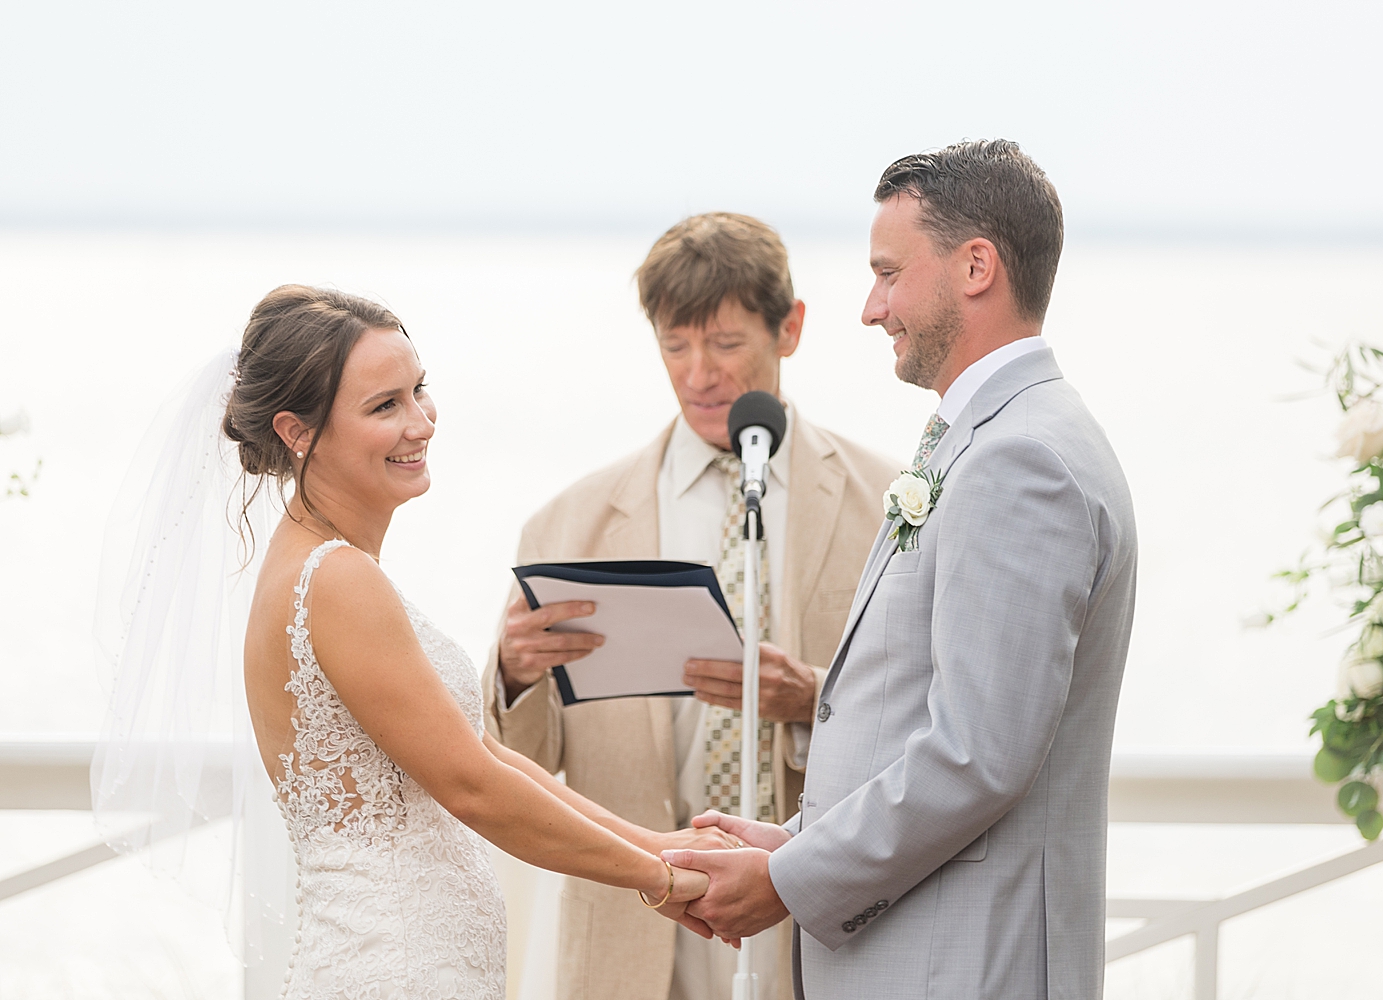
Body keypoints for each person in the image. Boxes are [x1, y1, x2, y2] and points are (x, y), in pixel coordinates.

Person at [666, 141, 1139, 999]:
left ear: (975, 267)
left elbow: (977, 756)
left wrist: (787, 882)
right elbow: (916, 715)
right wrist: (801, 843)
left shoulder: (1019, 460)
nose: (871, 307)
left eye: (888, 273)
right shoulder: (998, 435)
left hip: (960, 964)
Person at [226, 286, 732, 998]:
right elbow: (472, 786)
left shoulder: (327, 565)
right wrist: (662, 878)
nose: (420, 424)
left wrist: (661, 843)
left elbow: (482, 753)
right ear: (296, 431)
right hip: (394, 967)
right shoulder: (335, 579)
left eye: (418, 391)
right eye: (384, 407)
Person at [482, 213, 901, 1000]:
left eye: (726, 343)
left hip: (820, 937)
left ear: (791, 329)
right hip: (630, 942)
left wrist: (812, 698)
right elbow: (521, 769)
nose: (699, 373)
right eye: (676, 346)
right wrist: (511, 676)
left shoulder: (887, 504)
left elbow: (929, 718)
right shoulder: (570, 524)